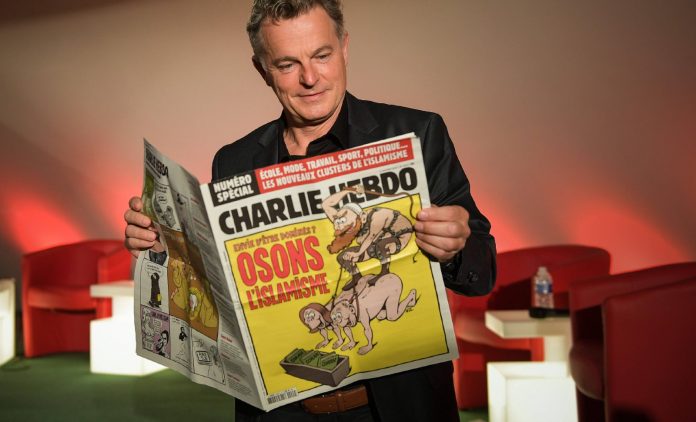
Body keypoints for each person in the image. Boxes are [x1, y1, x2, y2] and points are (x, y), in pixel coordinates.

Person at [124, 1, 496, 421]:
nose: (310, 78)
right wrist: (162, 247)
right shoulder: (234, 161)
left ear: (344, 48)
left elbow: (482, 270)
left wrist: (455, 249)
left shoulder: (417, 133)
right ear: (262, 69)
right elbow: (217, 294)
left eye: (322, 55)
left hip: (396, 409)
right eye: (287, 64)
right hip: (281, 409)